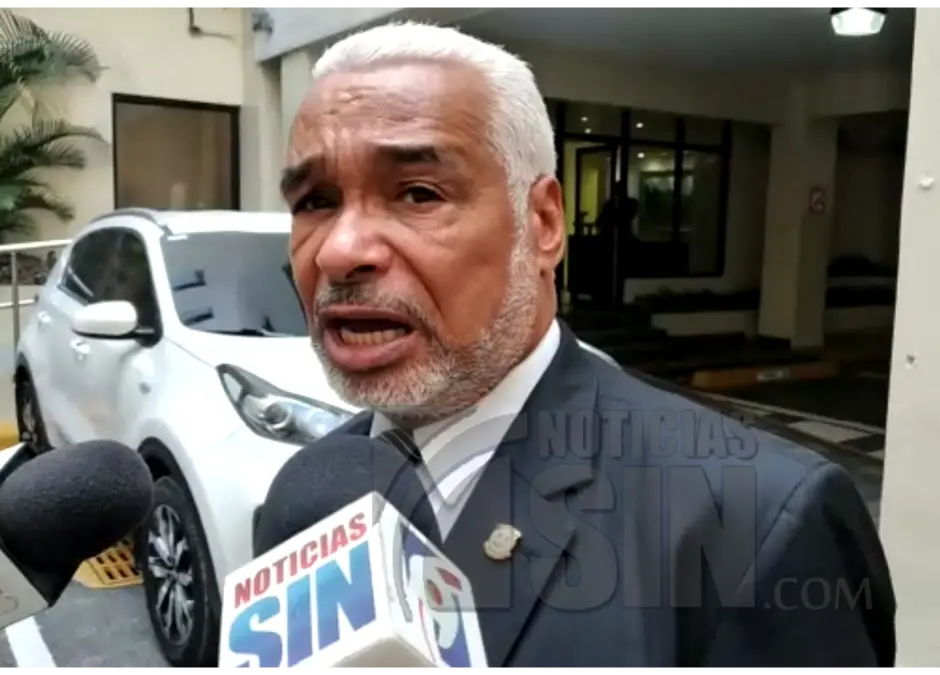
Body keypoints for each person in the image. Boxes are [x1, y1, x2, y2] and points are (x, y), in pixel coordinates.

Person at [281, 21, 895, 671]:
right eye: (315, 201)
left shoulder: (757, 526)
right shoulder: (307, 494)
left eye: (418, 194)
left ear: (543, 224)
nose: (339, 251)